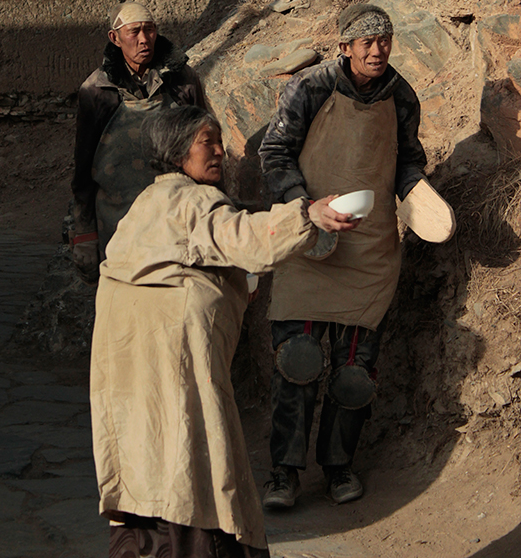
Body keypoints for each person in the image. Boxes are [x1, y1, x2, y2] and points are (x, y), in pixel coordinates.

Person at [90, 105, 350, 558]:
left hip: (127, 368)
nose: (217, 151)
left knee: (146, 464)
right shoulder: (192, 201)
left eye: (216, 140)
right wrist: (306, 216)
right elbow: (243, 237)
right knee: (194, 465)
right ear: (176, 154)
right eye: (204, 142)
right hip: (175, 366)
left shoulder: (145, 206)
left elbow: (190, 264)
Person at [259, 3, 427, 508]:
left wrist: (423, 196)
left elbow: (408, 163)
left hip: (370, 249)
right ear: (345, 47)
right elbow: (274, 153)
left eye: (385, 40)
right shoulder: (309, 89)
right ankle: (284, 474)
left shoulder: (401, 97)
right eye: (366, 42)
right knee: (300, 361)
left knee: (355, 377)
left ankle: (338, 467)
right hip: (309, 241)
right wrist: (305, 207)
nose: (377, 50)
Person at [70, 0, 205, 281]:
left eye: (150, 30)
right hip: (118, 222)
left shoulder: (182, 81)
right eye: (134, 32)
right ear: (115, 38)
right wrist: (84, 233)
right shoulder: (97, 91)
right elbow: (82, 169)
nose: (144, 40)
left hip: (175, 219)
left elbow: (204, 149)